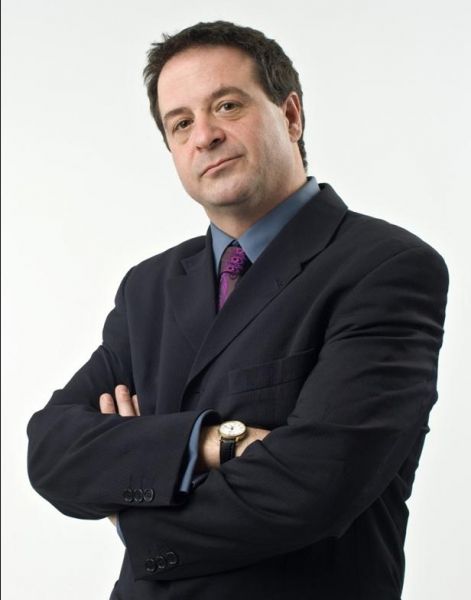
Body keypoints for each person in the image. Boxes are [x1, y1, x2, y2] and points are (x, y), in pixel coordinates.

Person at [27, 20, 449, 600]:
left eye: (226, 106)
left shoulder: (385, 267)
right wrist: (212, 442)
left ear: (291, 115)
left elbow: (313, 487)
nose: (204, 136)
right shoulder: (148, 287)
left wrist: (132, 505)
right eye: (181, 123)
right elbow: (51, 450)